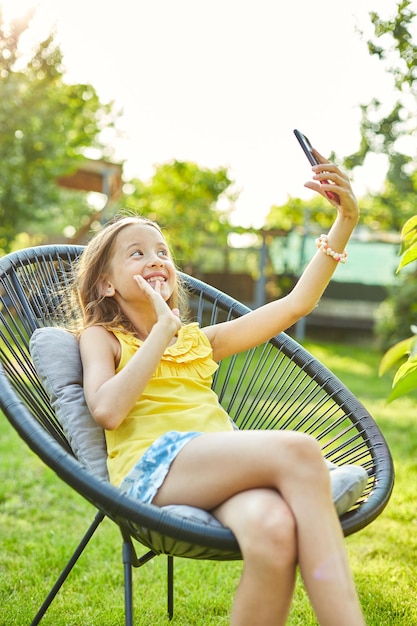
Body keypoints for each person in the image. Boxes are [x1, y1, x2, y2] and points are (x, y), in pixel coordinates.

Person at [75, 151, 366, 626]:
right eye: (138, 253)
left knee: (273, 530)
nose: (157, 261)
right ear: (106, 285)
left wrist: (346, 220)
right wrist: (161, 333)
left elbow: (295, 304)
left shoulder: (199, 342)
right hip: (153, 473)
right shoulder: (103, 338)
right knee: (299, 452)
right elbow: (107, 409)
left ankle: (307, 488)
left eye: (162, 252)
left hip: (214, 463)